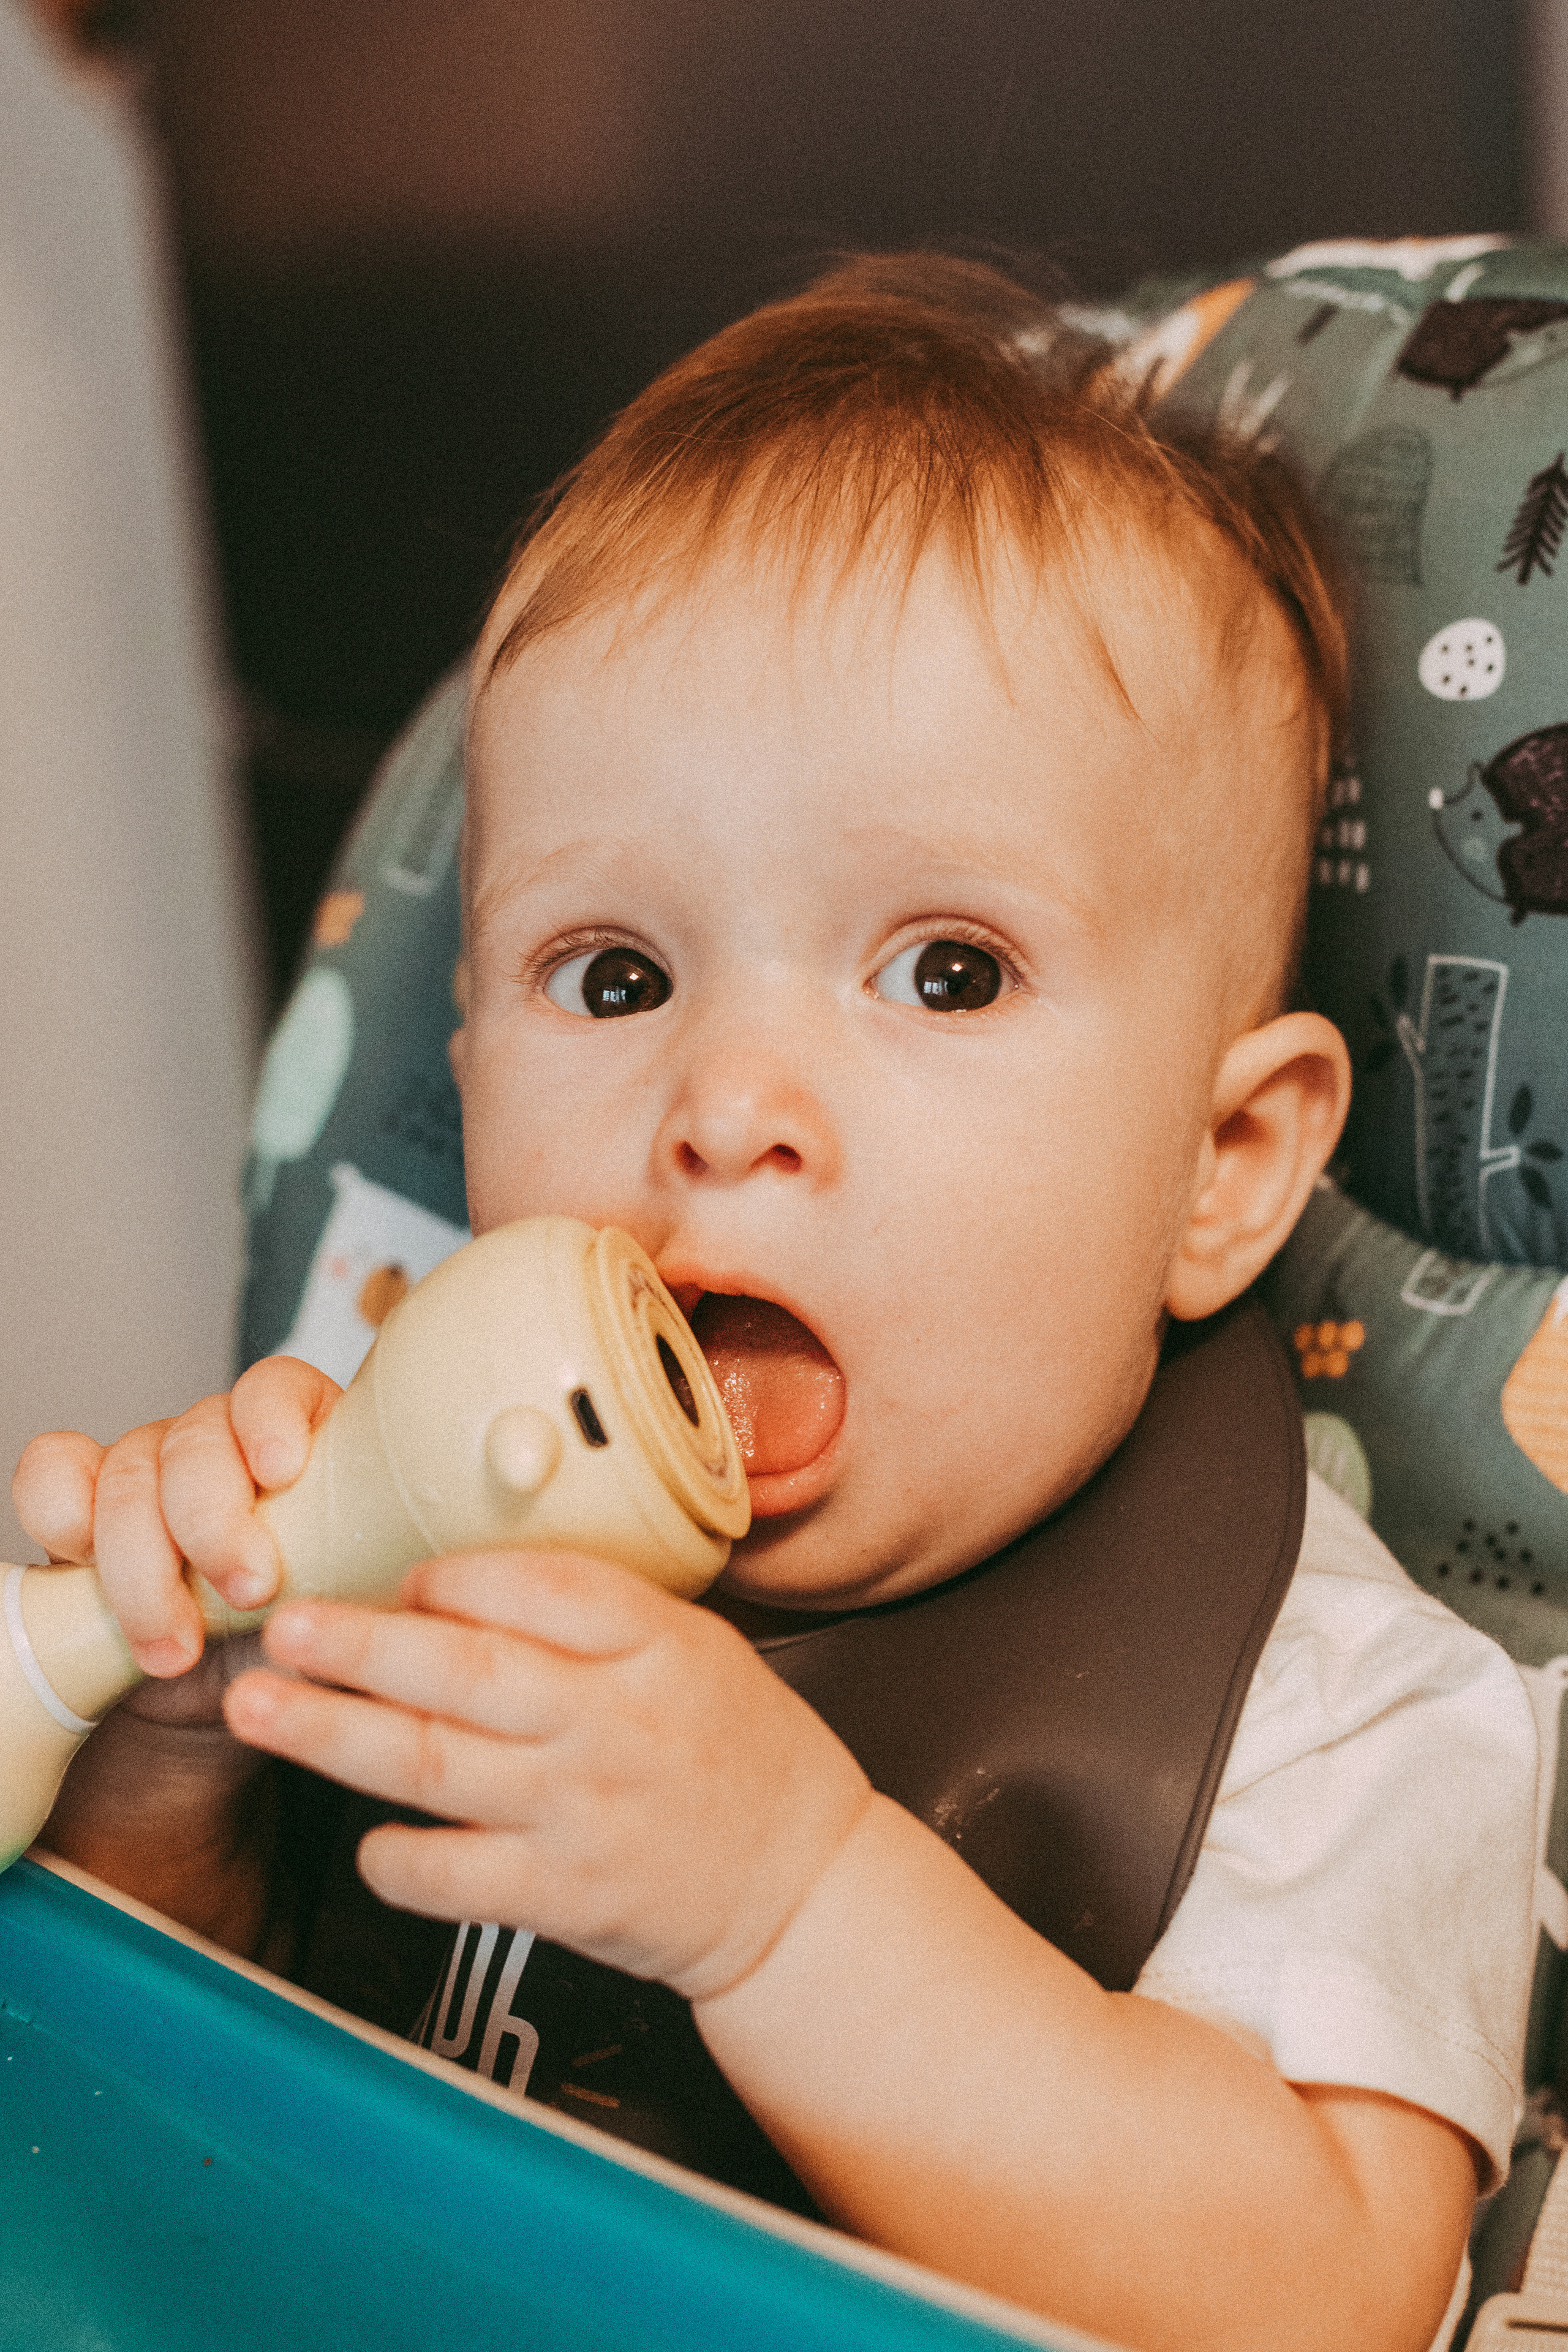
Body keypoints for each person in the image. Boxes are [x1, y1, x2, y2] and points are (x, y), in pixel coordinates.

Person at [14, 257, 1539, 2352]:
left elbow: (1319, 2298)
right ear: (465, 1081)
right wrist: (165, 1775)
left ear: (1226, 1168)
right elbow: (161, 2127)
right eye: (617, 978)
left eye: (947, 972)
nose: (727, 1109)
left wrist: (794, 1904)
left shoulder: (1344, 1711)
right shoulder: (408, 1508)